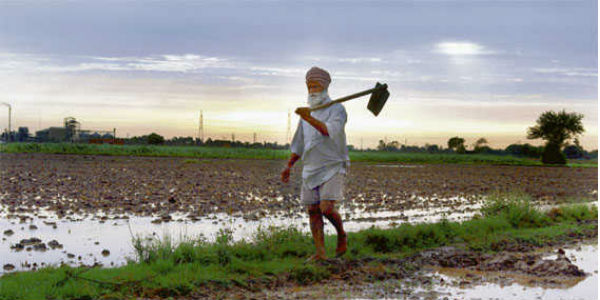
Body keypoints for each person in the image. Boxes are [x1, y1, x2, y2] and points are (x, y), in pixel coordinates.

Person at [281, 66, 350, 261]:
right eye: (309, 86)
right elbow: (299, 144)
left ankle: (342, 235)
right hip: (311, 167)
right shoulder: (307, 114)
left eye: (316, 86)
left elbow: (328, 131)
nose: (312, 90)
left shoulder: (337, 110)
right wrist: (289, 165)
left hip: (333, 165)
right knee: (312, 210)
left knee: (326, 208)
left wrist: (308, 117)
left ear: (325, 87)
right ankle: (320, 253)